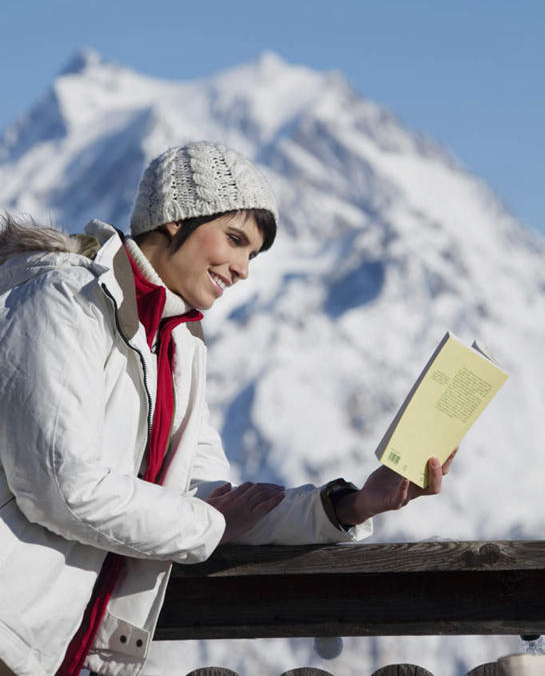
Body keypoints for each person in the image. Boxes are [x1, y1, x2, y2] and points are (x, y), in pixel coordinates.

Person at [0, 142, 455, 676]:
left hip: (57, 656)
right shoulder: (63, 300)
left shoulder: (177, 345)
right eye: (235, 240)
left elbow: (212, 502)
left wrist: (352, 506)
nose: (242, 270)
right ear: (174, 218)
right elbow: (62, 488)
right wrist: (212, 523)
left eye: (253, 255)